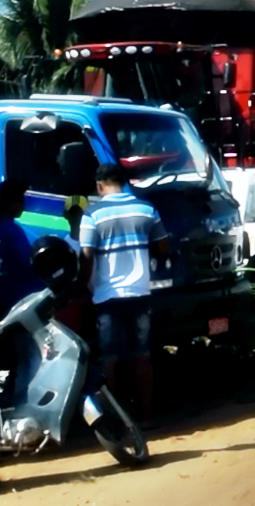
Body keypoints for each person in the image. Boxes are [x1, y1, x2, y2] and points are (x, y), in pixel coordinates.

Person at [79, 163, 169, 428]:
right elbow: (163, 246)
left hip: (107, 296)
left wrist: (81, 289)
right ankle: (146, 417)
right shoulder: (146, 209)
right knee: (141, 355)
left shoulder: (92, 214)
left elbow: (86, 256)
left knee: (109, 359)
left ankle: (113, 421)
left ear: (99, 185)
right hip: (140, 293)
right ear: (124, 182)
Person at [0, 179, 45, 315]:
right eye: (20, 201)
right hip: (19, 298)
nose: (23, 206)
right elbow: (29, 263)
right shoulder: (12, 230)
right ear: (12, 203)